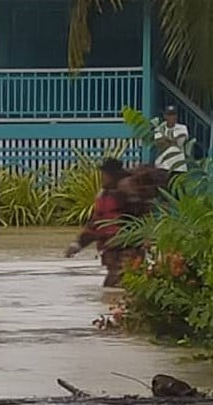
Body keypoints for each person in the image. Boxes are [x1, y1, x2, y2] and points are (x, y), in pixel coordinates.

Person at [64, 158, 142, 288]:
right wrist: (78, 244)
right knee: (114, 285)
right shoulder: (104, 194)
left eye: (105, 174)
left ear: (112, 174)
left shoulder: (128, 192)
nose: (102, 178)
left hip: (127, 249)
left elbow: (140, 218)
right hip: (111, 250)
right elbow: (96, 223)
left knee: (120, 283)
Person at [154, 105, 189, 182]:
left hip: (178, 165)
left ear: (176, 116)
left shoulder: (182, 128)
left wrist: (166, 139)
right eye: (169, 115)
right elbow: (159, 143)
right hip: (163, 165)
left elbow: (179, 141)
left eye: (173, 115)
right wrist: (171, 140)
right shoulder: (159, 128)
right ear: (165, 116)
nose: (171, 117)